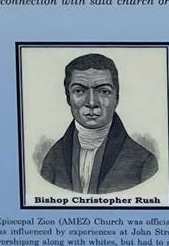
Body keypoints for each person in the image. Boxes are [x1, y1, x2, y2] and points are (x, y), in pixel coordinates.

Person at [35, 53, 162, 196]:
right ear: (68, 97)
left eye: (103, 91)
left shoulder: (143, 163)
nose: (91, 103)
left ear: (117, 98)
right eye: (79, 91)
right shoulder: (53, 159)